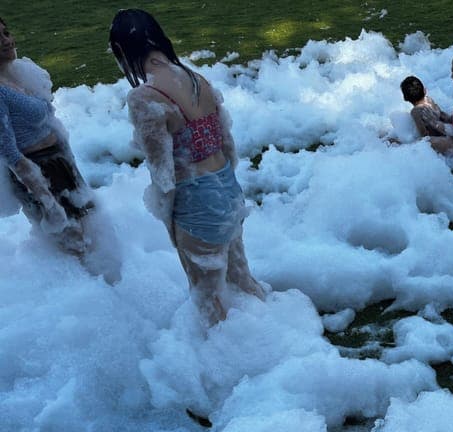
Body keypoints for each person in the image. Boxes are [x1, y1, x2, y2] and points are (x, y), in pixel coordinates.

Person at [110, 9, 264, 325]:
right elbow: (227, 144)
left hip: (196, 198)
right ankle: (272, 329)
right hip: (228, 187)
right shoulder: (196, 78)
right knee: (241, 278)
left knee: (207, 298)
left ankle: (228, 352)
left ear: (121, 50)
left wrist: (171, 221)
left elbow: (162, 171)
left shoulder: (144, 96)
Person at [0, 16, 93, 258]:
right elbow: (8, 151)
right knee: (74, 246)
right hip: (38, 173)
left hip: (59, 163)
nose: (6, 41)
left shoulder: (17, 72)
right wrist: (48, 202)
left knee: (89, 234)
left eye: (6, 33)